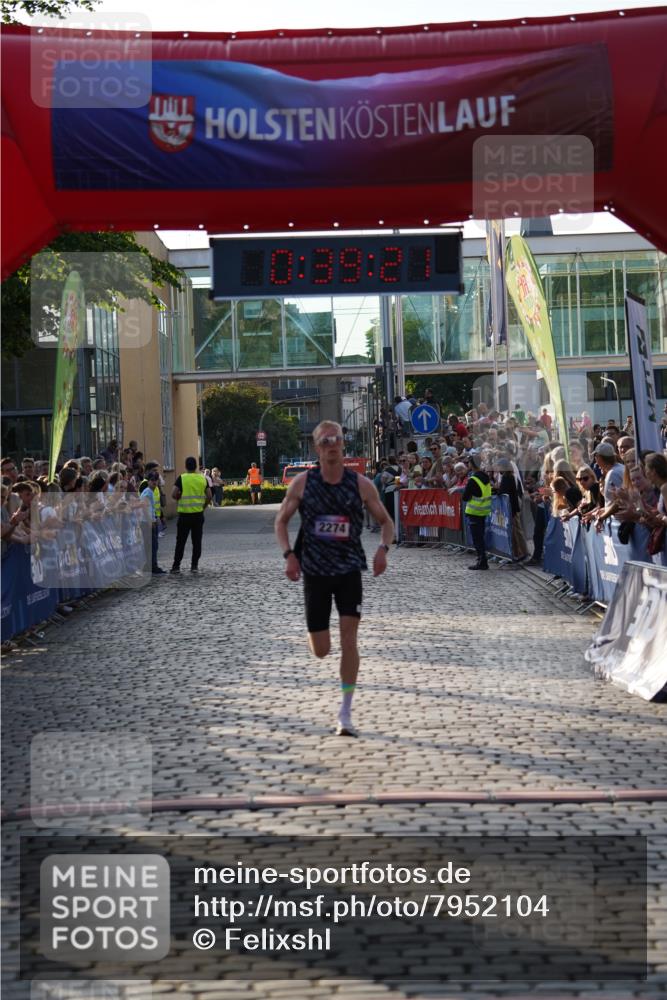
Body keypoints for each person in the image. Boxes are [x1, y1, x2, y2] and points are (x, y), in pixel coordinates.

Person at [274, 420, 394, 738]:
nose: (332, 444)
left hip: (348, 570)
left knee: (349, 640)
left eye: (337, 439)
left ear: (343, 445)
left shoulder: (360, 484)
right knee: (322, 650)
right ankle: (314, 635)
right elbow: (281, 521)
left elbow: (386, 521)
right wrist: (289, 555)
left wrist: (383, 549)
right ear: (316, 447)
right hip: (314, 572)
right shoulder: (301, 483)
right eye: (325, 440)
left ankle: (345, 711)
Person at [170, 456, 211, 575]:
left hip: (184, 515)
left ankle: (176, 566)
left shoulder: (182, 478)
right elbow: (209, 496)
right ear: (196, 466)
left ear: (186, 466)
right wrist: (203, 507)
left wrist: (179, 497)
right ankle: (194, 566)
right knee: (197, 541)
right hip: (198, 515)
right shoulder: (203, 479)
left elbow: (173, 494)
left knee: (180, 542)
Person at [462, 453, 492, 570]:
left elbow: (465, 497)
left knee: (477, 539)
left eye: (469, 462)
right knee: (480, 537)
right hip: (483, 512)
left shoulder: (473, 479)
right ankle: (482, 559)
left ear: (472, 464)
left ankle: (482, 561)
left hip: (474, 512)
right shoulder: (486, 477)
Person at [141, 470, 166, 575]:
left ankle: (149, 566)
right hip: (147, 522)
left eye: (156, 480)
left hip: (151, 520)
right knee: (152, 545)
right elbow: (145, 507)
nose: (154, 482)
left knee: (151, 545)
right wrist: (150, 521)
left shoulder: (151, 491)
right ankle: (152, 566)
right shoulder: (147, 492)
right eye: (152, 480)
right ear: (148, 481)